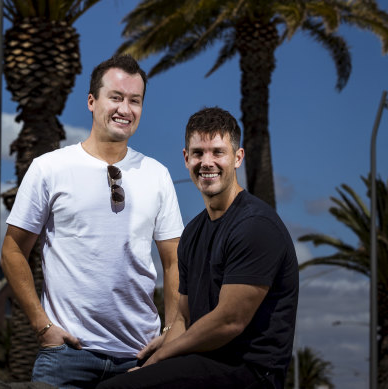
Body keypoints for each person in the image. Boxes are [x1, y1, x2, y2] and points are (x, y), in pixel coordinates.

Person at [1, 54, 184, 388]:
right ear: (91, 101)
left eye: (135, 101)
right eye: (115, 97)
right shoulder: (49, 168)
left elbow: (174, 261)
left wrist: (170, 333)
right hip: (66, 356)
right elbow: (13, 250)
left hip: (139, 357)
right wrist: (42, 327)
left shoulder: (157, 174)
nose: (125, 109)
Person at [96, 107, 299, 389]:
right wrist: (157, 356)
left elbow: (229, 321)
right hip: (203, 363)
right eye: (198, 153)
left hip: (249, 372)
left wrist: (160, 359)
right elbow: (185, 316)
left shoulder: (256, 226)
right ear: (185, 158)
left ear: (238, 158)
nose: (207, 162)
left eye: (218, 152)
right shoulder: (192, 233)